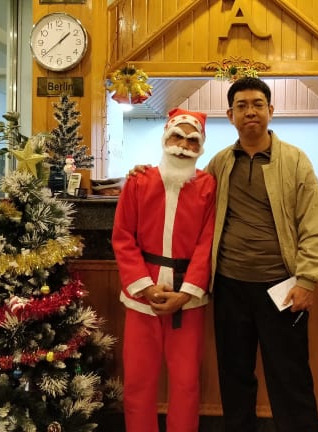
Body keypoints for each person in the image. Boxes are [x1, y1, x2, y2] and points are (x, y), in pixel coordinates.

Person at [207, 77, 318, 432]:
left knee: (290, 377)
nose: (251, 112)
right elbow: (185, 196)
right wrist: (140, 176)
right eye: (242, 106)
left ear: (270, 111)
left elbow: (313, 225)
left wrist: (307, 280)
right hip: (229, 286)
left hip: (282, 288)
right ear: (230, 115)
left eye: (258, 104)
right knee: (234, 376)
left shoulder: (294, 160)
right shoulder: (219, 163)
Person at [112, 108, 216, 432]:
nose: (183, 145)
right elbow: (123, 237)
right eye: (177, 136)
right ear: (165, 138)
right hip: (142, 299)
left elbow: (208, 243)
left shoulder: (208, 187)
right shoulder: (138, 182)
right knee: (138, 382)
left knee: (186, 383)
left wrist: (186, 294)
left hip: (187, 301)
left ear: (200, 147)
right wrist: (145, 287)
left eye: (192, 140)